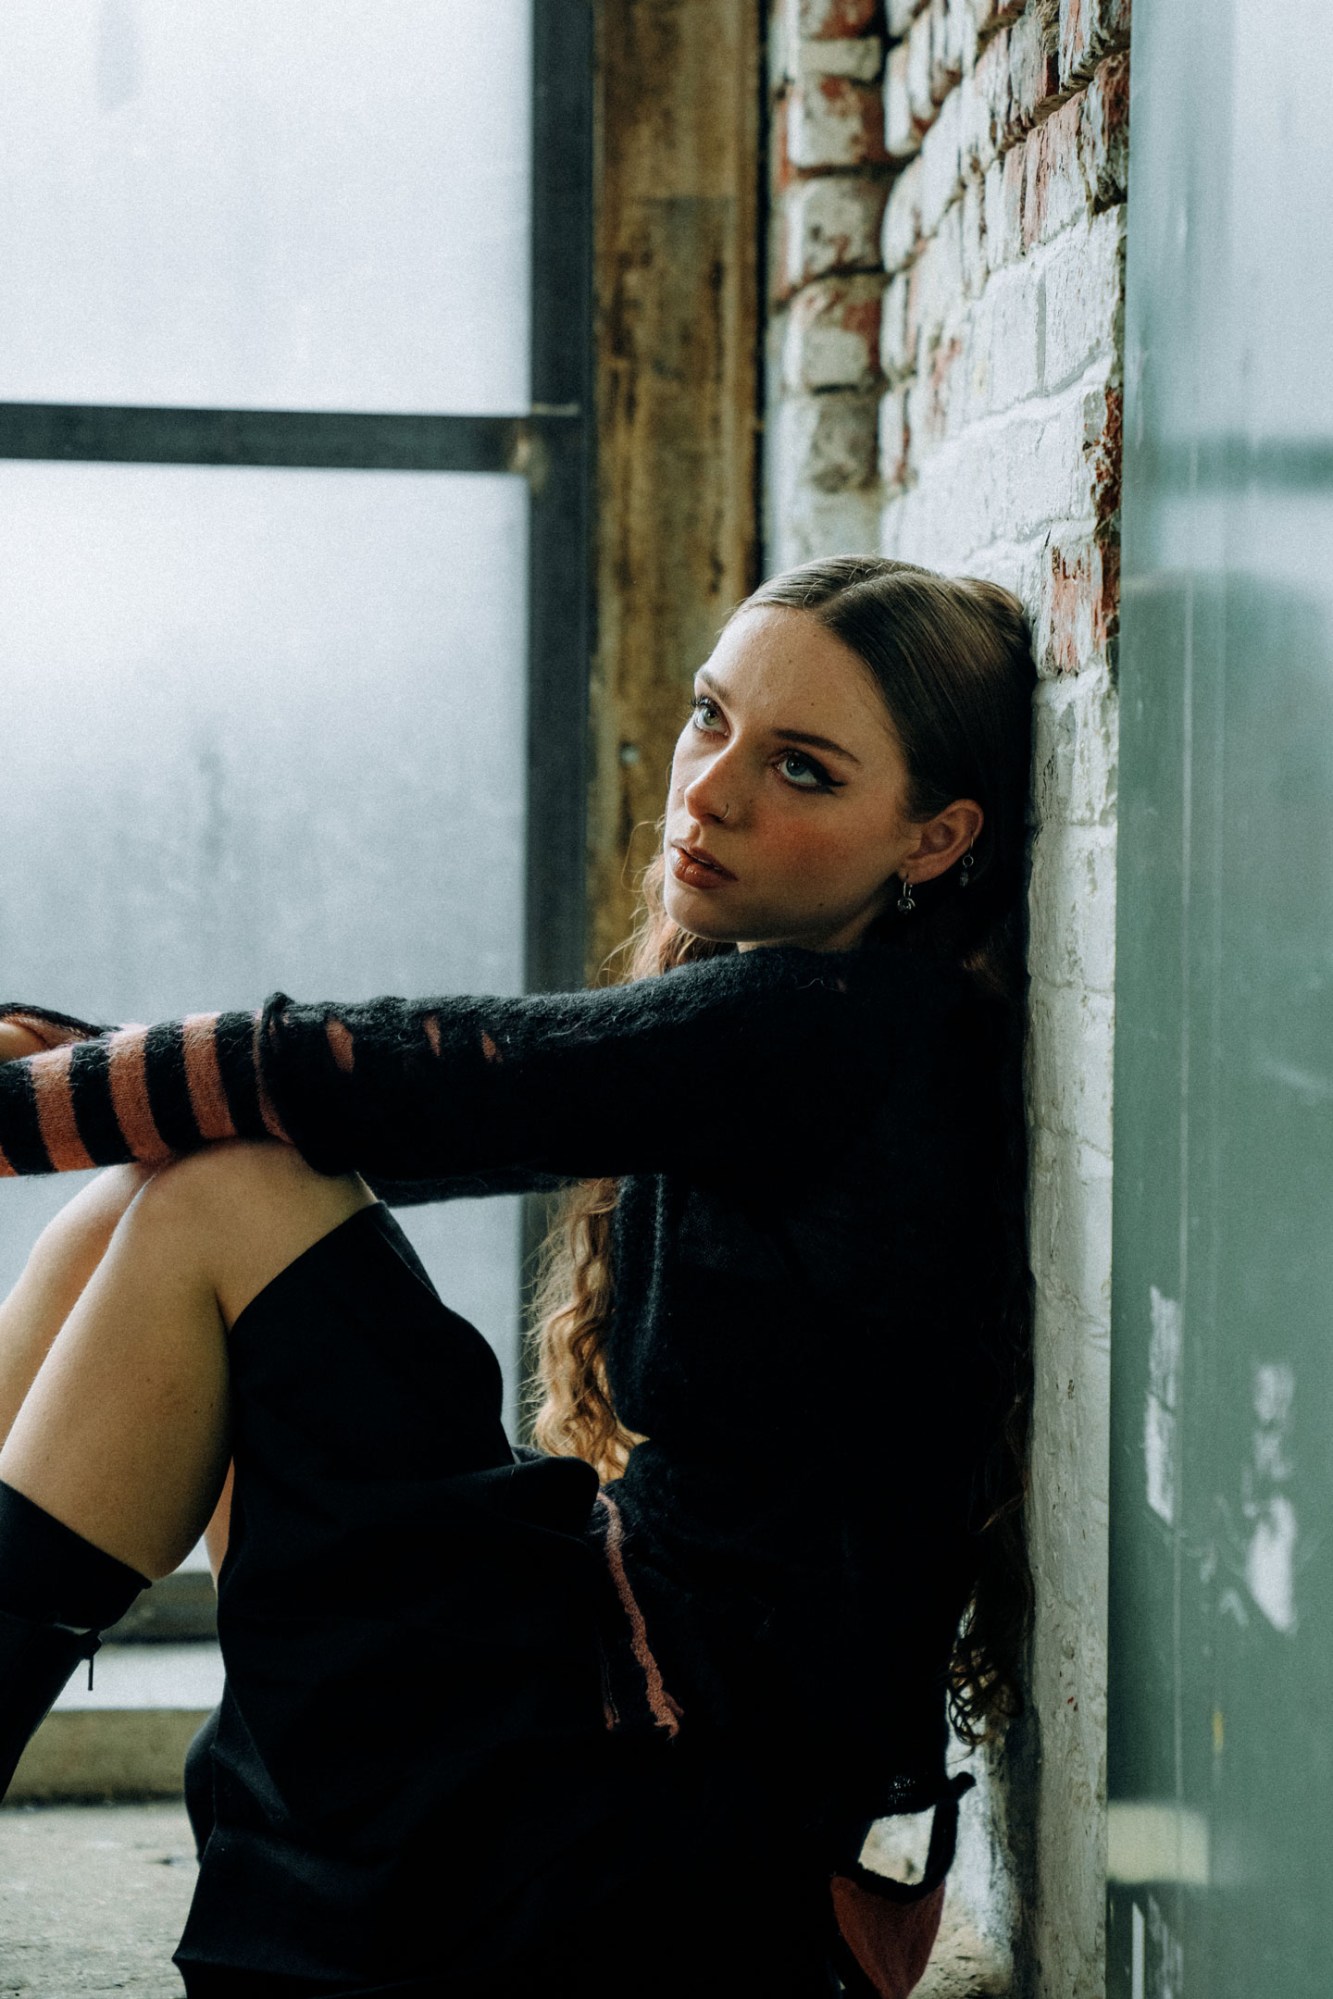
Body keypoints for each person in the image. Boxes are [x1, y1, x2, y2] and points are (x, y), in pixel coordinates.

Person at [0, 556, 1036, 1999]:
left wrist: (39, 1099)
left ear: (934, 838)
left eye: (799, 769)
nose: (712, 790)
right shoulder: (811, 1022)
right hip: (669, 1736)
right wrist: (93, 1083)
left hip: (707, 1847)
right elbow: (401, 1115)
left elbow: (407, 1082)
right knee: (167, 1190)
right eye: (707, 718)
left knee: (216, 1191)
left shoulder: (845, 1034)